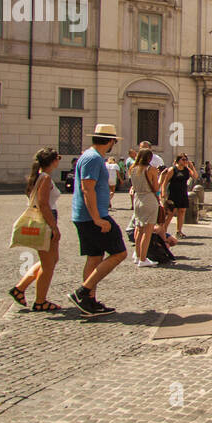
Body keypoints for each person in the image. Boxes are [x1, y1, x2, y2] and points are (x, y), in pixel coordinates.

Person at [69, 124, 128, 315]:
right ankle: (83, 292)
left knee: (94, 257)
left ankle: (89, 301)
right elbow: (87, 188)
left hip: (86, 215)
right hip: (94, 217)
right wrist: (97, 218)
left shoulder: (90, 156)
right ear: (110, 141)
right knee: (119, 253)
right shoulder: (93, 158)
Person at [10, 148, 63, 311]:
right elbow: (44, 205)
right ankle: (40, 300)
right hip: (47, 219)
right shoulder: (45, 178)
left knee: (51, 260)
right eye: (58, 158)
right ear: (53, 161)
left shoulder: (38, 176)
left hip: (46, 218)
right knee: (48, 264)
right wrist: (54, 227)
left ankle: (20, 288)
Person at [129, 148, 162, 267]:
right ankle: (143, 259)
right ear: (149, 158)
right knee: (147, 232)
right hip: (149, 199)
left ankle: (137, 256)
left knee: (139, 229)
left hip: (137, 198)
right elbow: (156, 188)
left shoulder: (132, 168)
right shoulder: (151, 169)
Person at [164, 153, 198, 239]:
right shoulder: (173, 169)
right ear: (178, 160)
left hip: (183, 193)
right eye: (183, 159)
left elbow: (195, 176)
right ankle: (163, 231)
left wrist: (191, 166)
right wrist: (163, 193)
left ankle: (179, 231)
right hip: (173, 193)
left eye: (186, 159)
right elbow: (165, 182)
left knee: (182, 212)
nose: (185, 161)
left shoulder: (187, 169)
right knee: (171, 213)